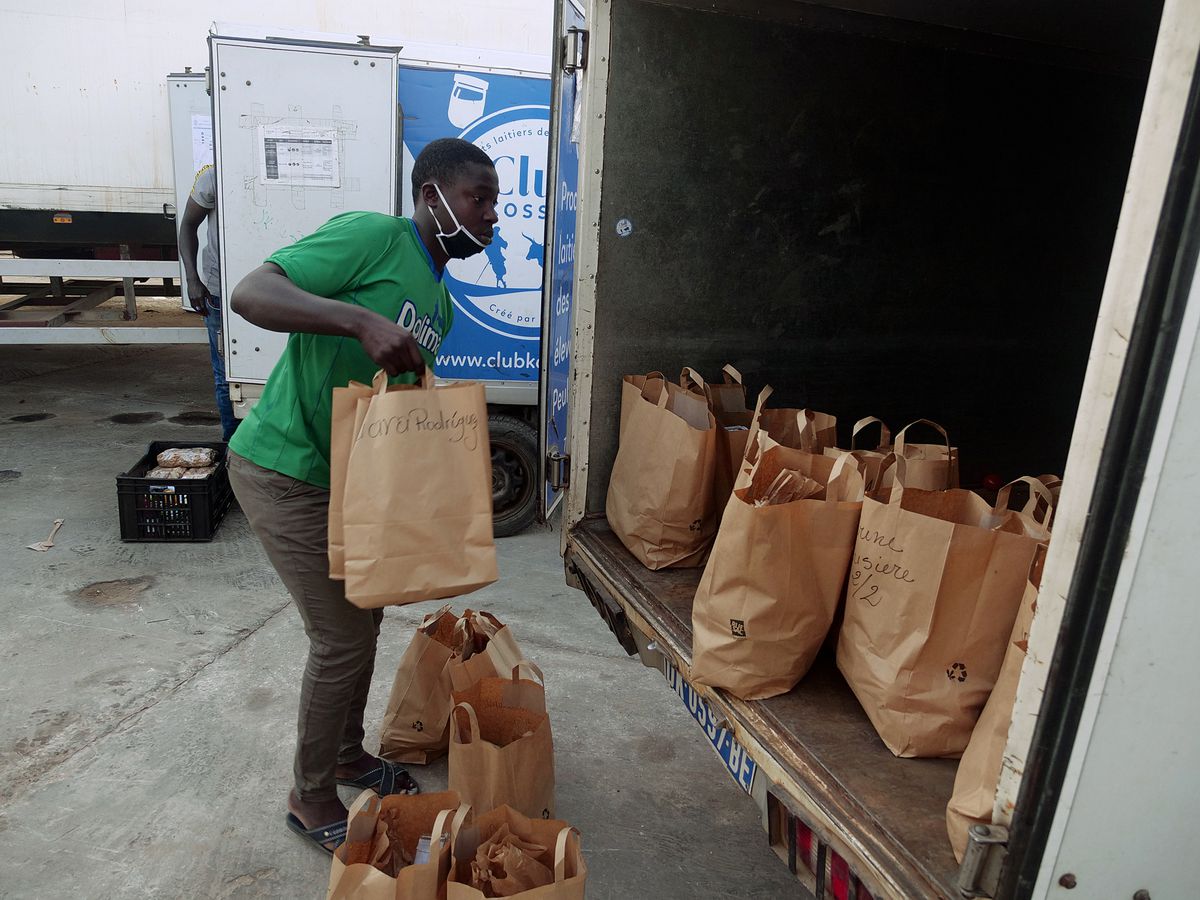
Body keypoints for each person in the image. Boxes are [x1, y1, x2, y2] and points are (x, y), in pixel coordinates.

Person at [225, 138, 499, 854]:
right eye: (480, 198)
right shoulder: (373, 238)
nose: (492, 215)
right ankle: (309, 794)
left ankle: (347, 757)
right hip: (282, 470)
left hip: (347, 483)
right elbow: (251, 292)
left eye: (495, 202)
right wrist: (358, 319)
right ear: (432, 195)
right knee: (341, 637)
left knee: (365, 619)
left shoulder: (441, 300)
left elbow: (395, 417)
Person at [178, 164, 238, 441]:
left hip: (276, 289)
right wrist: (192, 278)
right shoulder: (214, 174)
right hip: (220, 292)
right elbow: (188, 225)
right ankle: (233, 448)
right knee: (226, 374)